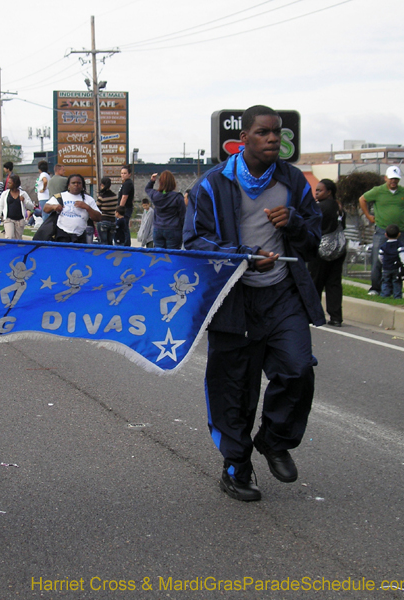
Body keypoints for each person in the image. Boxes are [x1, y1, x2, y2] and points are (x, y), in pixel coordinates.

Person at [184, 105, 324, 502]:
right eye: (264, 132)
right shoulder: (213, 184)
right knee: (234, 388)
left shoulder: (293, 181)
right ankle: (236, 467)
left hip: (282, 294)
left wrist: (294, 222)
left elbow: (314, 237)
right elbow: (193, 242)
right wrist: (243, 256)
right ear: (243, 138)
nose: (273, 138)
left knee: (298, 369)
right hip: (233, 298)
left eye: (277, 132)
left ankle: (275, 440)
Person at [359, 165, 404, 295]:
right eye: (391, 178)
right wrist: (368, 216)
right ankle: (375, 287)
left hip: (399, 232)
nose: (393, 181)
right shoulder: (378, 191)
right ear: (386, 178)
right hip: (382, 230)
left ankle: (394, 289)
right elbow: (362, 199)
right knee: (377, 259)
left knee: (399, 259)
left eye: (396, 179)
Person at [308, 178, 346, 326]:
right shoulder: (339, 207)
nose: (316, 193)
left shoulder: (319, 207)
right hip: (338, 249)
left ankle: (314, 315)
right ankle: (336, 317)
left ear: (329, 192)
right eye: (316, 190)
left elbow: (310, 224)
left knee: (315, 282)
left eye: (320, 190)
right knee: (334, 283)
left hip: (320, 248)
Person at [44, 173, 102, 243]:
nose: (76, 185)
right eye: (73, 183)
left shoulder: (88, 199)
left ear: (82, 185)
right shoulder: (60, 196)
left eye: (79, 183)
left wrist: (87, 207)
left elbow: (99, 218)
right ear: (68, 185)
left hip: (81, 236)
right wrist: (54, 207)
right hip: (62, 234)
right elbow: (45, 208)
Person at [146, 170, 185, 250]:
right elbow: (183, 216)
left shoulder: (155, 195)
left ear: (160, 182)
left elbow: (147, 189)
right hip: (173, 229)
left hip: (158, 228)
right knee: (172, 254)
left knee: (159, 254)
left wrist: (152, 181)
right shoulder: (178, 197)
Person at [0, 174, 34, 240]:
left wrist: (24, 201)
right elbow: (0, 206)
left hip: (20, 220)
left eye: (10, 183)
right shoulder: (5, 194)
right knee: (9, 237)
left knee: (18, 239)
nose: (8, 184)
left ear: (15, 184)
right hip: (8, 219)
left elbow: (31, 207)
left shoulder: (23, 194)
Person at [378, 224, 404, 299]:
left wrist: (383, 263)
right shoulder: (399, 245)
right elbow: (402, 255)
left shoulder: (383, 246)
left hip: (386, 268)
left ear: (386, 235)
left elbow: (380, 256)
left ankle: (385, 295)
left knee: (385, 281)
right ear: (399, 234)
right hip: (396, 267)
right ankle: (397, 296)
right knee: (396, 281)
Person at [95, 176, 118, 245]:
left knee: (103, 243)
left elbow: (96, 208)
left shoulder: (102, 197)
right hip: (113, 221)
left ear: (102, 185)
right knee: (110, 243)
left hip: (103, 220)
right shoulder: (115, 196)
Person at [117, 165, 135, 246]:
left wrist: (119, 209)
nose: (123, 175)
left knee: (124, 227)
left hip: (125, 209)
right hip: (125, 209)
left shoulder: (128, 184)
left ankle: (125, 244)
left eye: (125, 173)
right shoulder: (125, 183)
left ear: (129, 174)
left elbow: (124, 197)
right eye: (122, 173)